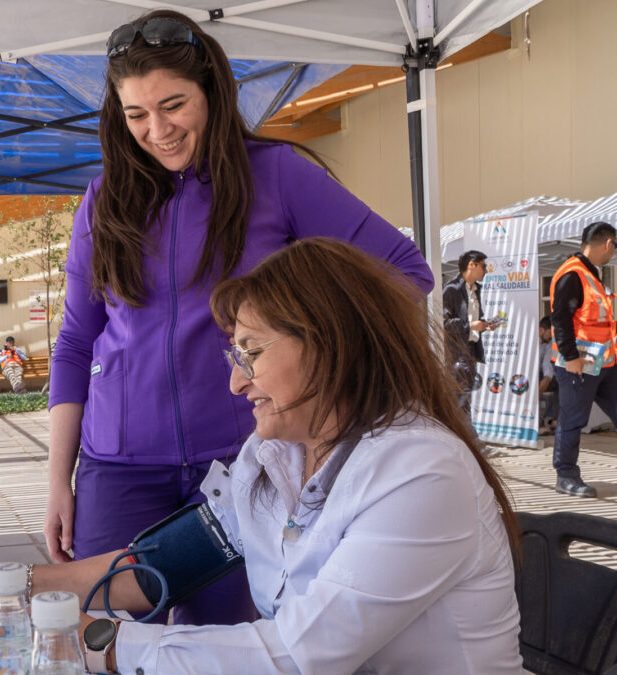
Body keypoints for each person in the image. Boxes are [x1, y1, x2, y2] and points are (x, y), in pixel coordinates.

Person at [45, 9, 434, 627]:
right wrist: (58, 479)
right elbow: (74, 343)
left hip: (242, 463)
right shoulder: (104, 198)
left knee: (232, 650)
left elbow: (404, 272)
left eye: (173, 105)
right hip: (116, 468)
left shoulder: (277, 176)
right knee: (101, 645)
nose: (157, 130)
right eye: (136, 115)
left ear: (212, 92)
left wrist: (311, 350)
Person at [31, 238, 521, 674]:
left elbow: (296, 657)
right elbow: (169, 564)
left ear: (331, 344)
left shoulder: (421, 473)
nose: (236, 381)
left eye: (252, 353)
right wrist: (18, 588)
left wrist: (102, 645)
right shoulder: (274, 455)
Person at [549, 221, 617, 498]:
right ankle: (566, 476)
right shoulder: (573, 274)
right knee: (573, 420)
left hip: (604, 363)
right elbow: (560, 318)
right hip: (579, 364)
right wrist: (570, 357)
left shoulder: (593, 274)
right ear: (607, 243)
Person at [442, 250, 498, 416]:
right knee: (459, 401)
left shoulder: (474, 290)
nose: (486, 270)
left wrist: (484, 325)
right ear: (471, 265)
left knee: (464, 400)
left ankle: (466, 436)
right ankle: (466, 437)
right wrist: (471, 325)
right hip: (456, 353)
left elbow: (471, 320)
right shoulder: (451, 290)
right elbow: (444, 323)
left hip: (470, 352)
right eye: (483, 266)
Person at [539, 315, 558, 431]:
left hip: (541, 376)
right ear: (541, 330)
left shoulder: (550, 343)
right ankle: (537, 418)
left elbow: (548, 369)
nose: (551, 336)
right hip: (523, 375)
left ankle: (556, 420)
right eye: (550, 333)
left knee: (561, 382)